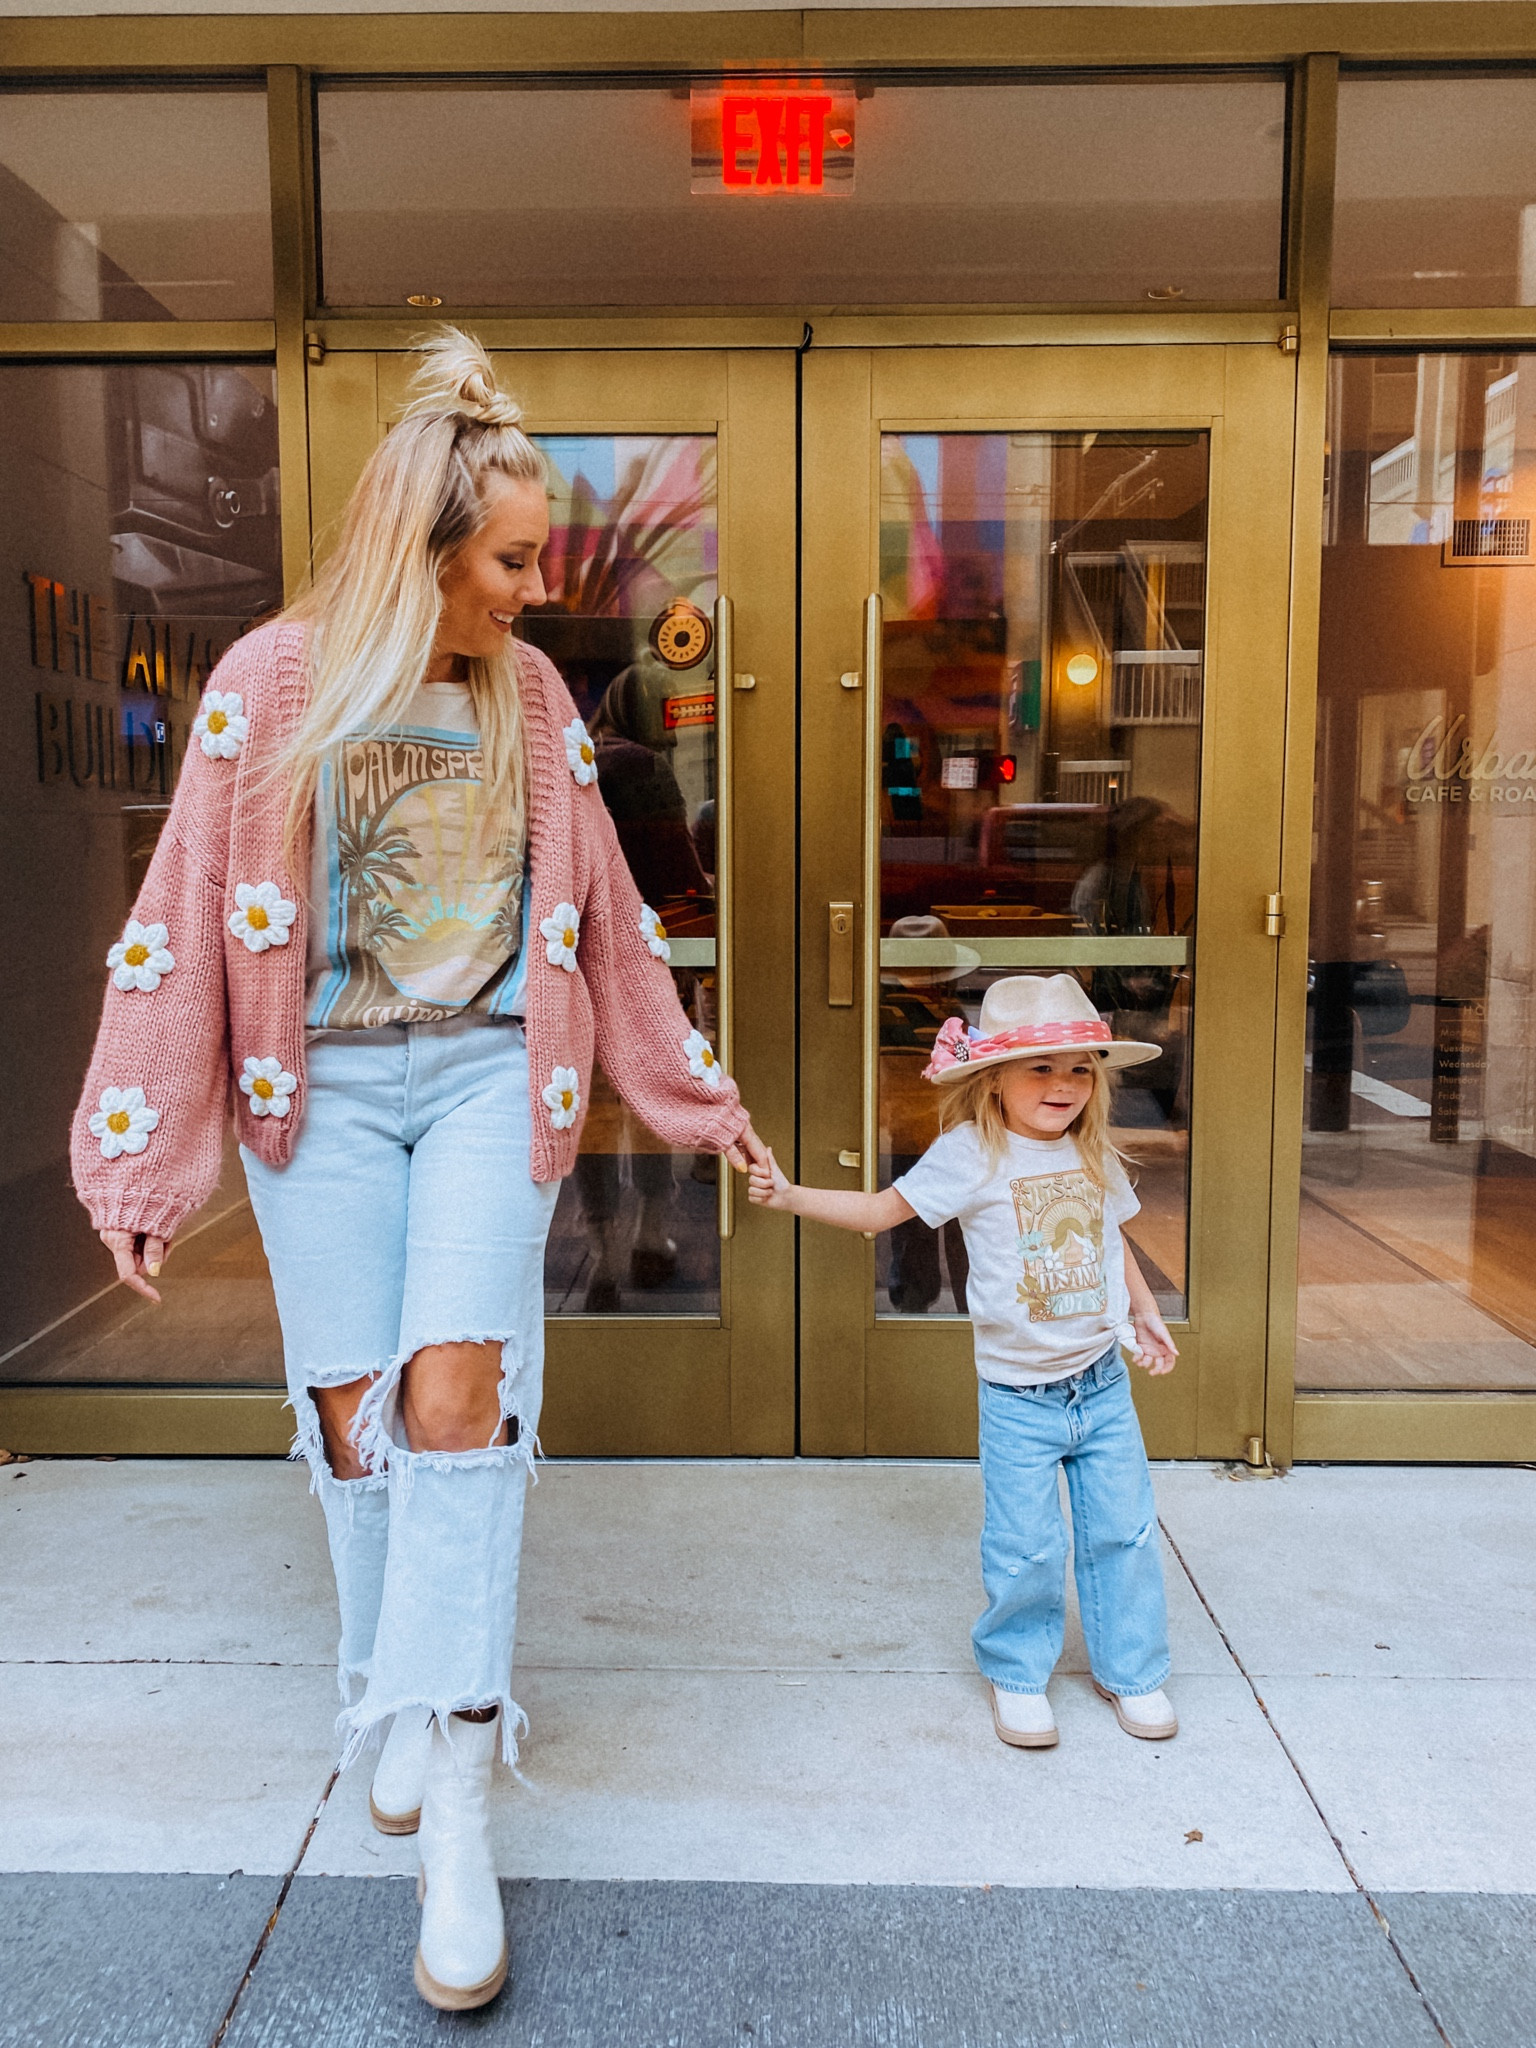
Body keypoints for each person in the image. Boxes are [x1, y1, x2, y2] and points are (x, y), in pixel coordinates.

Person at [69, 329, 766, 2012]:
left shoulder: (527, 698)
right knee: (351, 1406)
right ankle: (383, 1674)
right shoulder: (273, 680)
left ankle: (456, 1778)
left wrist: (684, 1084)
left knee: (458, 1395)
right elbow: (177, 923)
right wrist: (148, 1148)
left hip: (476, 1083)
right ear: (428, 548)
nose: (537, 588)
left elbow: (602, 911)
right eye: (514, 558)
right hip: (313, 1100)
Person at [748, 972, 1179, 1752]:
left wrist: (1145, 1317)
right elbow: (882, 1212)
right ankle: (1018, 1675)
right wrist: (789, 1196)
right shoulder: (972, 1154)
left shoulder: (1092, 1153)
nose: (1064, 1085)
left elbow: (1115, 1244)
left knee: (1124, 1532)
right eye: (1040, 1067)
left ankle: (1133, 1670)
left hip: (1102, 1385)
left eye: (1079, 1068)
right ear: (994, 1077)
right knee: (1027, 1545)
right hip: (1020, 1396)